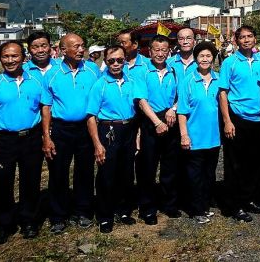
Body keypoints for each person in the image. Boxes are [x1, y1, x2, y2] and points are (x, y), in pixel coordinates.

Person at [0, 41, 46, 244]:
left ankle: (29, 221)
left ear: (24, 57)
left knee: (31, 182)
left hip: (31, 138)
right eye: (6, 56)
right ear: (1, 58)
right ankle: (2, 226)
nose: (10, 60)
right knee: (1, 184)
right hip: (5, 140)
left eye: (14, 56)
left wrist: (45, 136)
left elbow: (44, 108)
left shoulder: (35, 81)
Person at [41, 33, 100, 233]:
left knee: (85, 171)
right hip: (61, 129)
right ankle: (58, 215)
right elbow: (46, 107)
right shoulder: (52, 73)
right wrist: (47, 137)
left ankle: (83, 211)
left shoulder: (92, 70)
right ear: (63, 50)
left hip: (86, 128)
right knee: (58, 173)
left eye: (83, 45)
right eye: (76, 46)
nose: (81, 49)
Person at [86, 45, 138, 233]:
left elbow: (138, 107)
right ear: (105, 61)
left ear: (125, 60)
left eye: (119, 60)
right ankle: (105, 215)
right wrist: (97, 144)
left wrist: (137, 134)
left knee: (126, 172)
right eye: (111, 61)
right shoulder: (100, 84)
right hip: (108, 130)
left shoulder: (131, 81)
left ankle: (123, 210)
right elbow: (91, 116)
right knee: (107, 174)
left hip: (129, 128)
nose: (116, 64)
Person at [218, 25, 260, 222]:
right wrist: (227, 121)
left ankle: (249, 199)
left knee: (254, 163)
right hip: (238, 117)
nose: (246, 40)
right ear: (236, 41)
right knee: (234, 165)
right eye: (242, 37)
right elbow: (223, 93)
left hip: (259, 118)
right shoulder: (229, 62)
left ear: (255, 39)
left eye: (250, 36)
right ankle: (234, 205)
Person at [133, 35, 181, 223]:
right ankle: (147, 208)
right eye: (156, 50)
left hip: (170, 119)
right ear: (150, 51)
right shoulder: (142, 72)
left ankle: (169, 204)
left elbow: (181, 95)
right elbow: (141, 101)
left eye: (164, 50)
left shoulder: (174, 71)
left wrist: (173, 109)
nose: (160, 54)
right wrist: (156, 122)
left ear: (169, 51)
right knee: (148, 168)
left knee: (170, 166)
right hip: (150, 121)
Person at [178, 41, 222, 224]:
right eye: (201, 56)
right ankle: (195, 209)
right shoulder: (187, 81)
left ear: (213, 59)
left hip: (214, 137)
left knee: (209, 174)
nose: (205, 59)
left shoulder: (219, 80)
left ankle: (204, 205)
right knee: (194, 176)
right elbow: (182, 111)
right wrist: (184, 134)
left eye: (208, 56)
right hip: (194, 136)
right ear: (196, 58)